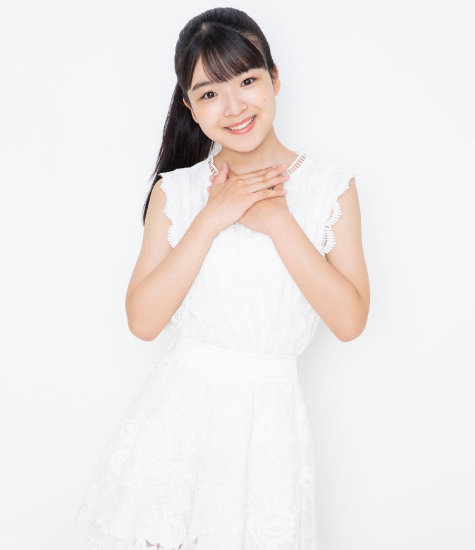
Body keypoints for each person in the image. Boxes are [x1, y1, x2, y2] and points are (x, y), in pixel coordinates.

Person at [75, 6, 370, 550]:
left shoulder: (330, 188)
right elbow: (143, 321)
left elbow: (349, 321)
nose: (233, 106)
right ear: (190, 106)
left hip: (271, 428)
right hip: (176, 425)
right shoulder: (178, 191)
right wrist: (214, 215)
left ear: (274, 78)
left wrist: (278, 222)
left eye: (247, 81)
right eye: (209, 93)